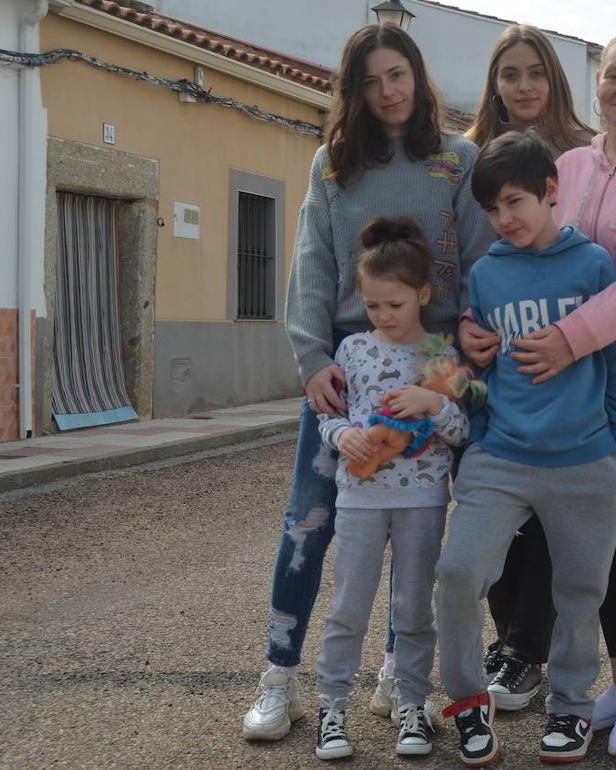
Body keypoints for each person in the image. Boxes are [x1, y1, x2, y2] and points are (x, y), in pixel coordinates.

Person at [241, 22, 491, 743]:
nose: (389, 91)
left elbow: (479, 261)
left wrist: (464, 356)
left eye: (399, 75)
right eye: (373, 80)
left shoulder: (457, 158)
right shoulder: (333, 164)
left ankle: (394, 678)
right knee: (311, 523)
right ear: (353, 89)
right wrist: (312, 360)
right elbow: (311, 266)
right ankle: (278, 681)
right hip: (348, 367)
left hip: (436, 364)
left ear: (418, 76)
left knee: (416, 525)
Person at [459, 23, 616, 715]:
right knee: (604, 543)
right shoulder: (570, 166)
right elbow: (541, 257)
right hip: (590, 376)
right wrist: (479, 322)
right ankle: (611, 690)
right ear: (597, 82)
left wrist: (569, 336)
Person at [435, 130, 616, 766]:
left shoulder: (595, 265)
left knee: (580, 594)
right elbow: (482, 366)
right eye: (492, 208)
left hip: (587, 461)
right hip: (502, 459)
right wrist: (474, 430)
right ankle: (470, 705)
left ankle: (572, 709)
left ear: (552, 193)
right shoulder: (488, 274)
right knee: (457, 573)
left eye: (515, 202)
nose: (504, 219)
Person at [312, 218, 470, 760]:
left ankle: (411, 706)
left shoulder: (442, 356)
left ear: (423, 295)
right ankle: (331, 710)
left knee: (412, 609)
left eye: (394, 305)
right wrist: (344, 435)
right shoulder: (353, 349)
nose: (382, 316)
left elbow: (462, 432)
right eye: (374, 305)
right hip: (359, 500)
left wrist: (438, 404)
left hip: (423, 501)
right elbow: (326, 419)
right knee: (348, 606)